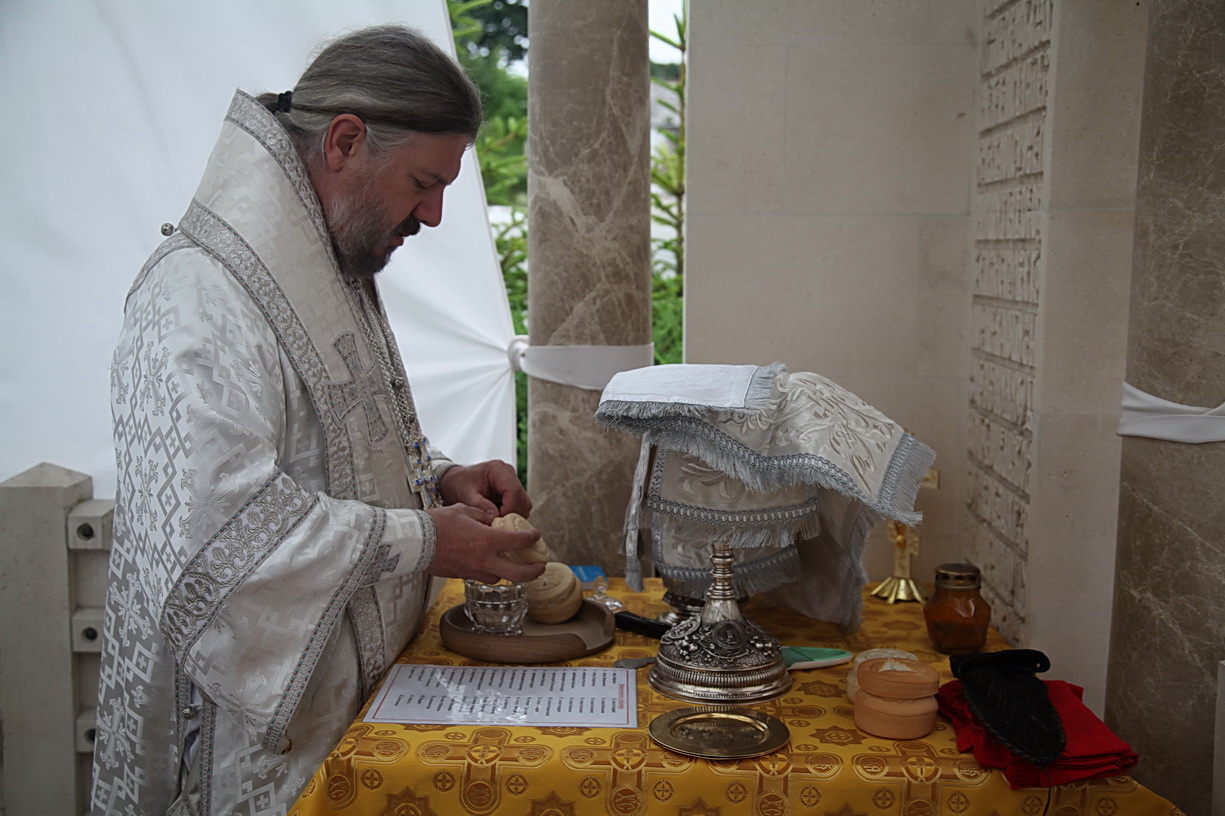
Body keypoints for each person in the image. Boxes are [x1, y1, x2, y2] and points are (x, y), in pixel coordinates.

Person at [91, 25, 546, 816]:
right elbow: (221, 535)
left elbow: (336, 434)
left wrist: (438, 473)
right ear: (343, 141)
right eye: (422, 182)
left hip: (354, 707)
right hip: (245, 746)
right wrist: (429, 539)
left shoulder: (326, 261)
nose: (433, 215)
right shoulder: (197, 297)